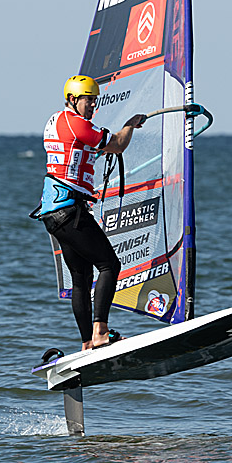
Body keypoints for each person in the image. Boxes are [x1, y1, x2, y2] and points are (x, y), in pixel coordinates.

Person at [34, 74, 146, 350]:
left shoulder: (55, 121)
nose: (93, 105)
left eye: (95, 100)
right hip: (69, 212)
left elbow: (73, 150)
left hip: (53, 213)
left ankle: (87, 343)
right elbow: (117, 144)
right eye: (88, 100)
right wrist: (130, 125)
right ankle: (100, 332)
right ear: (73, 99)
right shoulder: (77, 123)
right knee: (109, 265)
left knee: (81, 278)